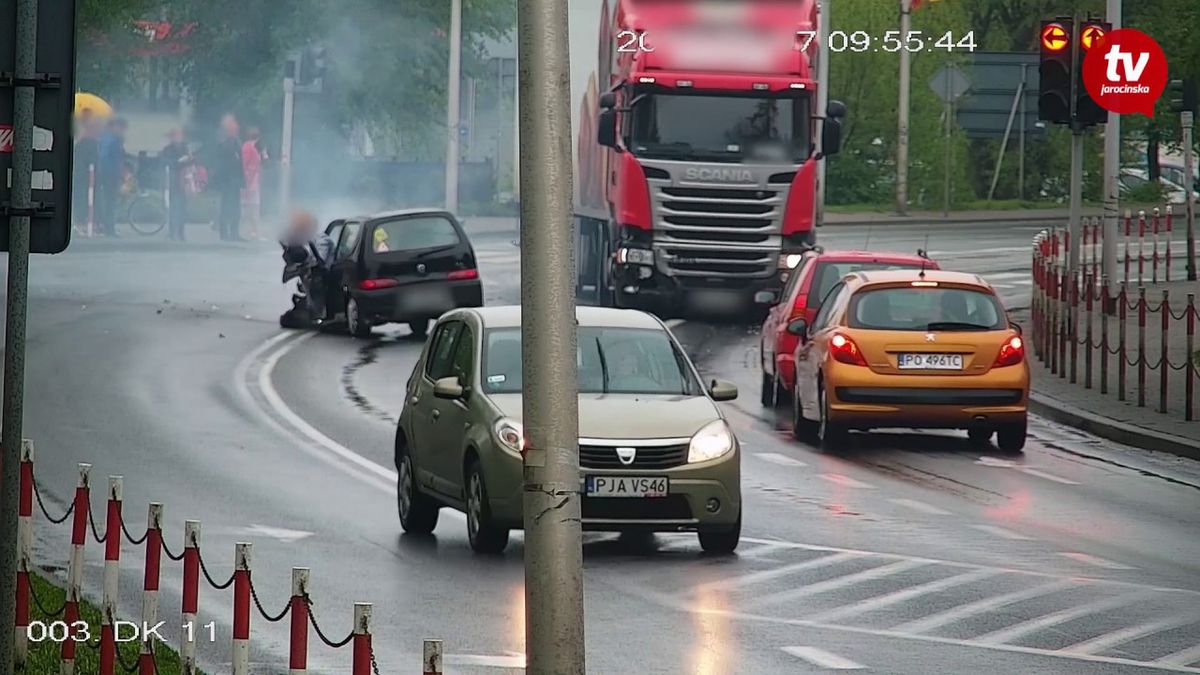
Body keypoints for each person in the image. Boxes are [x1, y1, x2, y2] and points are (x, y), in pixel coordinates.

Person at [213, 114, 244, 241]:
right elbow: (222, 162)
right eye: (233, 125)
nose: (236, 127)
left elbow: (240, 160)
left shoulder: (238, 142)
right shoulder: (223, 143)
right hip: (226, 179)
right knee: (226, 206)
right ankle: (224, 233)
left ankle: (235, 232)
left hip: (236, 179)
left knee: (236, 206)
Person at [96, 118, 128, 237]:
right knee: (110, 202)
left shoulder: (108, 139)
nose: (122, 131)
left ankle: (108, 227)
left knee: (109, 202)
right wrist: (114, 172)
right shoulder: (111, 140)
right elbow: (105, 158)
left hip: (109, 174)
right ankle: (109, 229)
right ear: (114, 127)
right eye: (121, 128)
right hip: (110, 176)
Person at [160, 128, 193, 241]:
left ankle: (181, 232)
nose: (177, 138)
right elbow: (165, 162)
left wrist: (189, 159)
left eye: (179, 135)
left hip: (184, 180)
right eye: (174, 136)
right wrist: (177, 162)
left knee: (183, 207)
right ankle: (172, 232)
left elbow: (191, 162)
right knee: (173, 207)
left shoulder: (185, 148)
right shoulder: (167, 149)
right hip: (173, 179)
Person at [72, 112, 101, 232]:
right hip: (85, 177)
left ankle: (89, 222)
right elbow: (88, 161)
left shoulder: (90, 142)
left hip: (89, 177)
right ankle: (82, 223)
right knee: (83, 199)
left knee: (90, 199)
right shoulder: (85, 143)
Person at [241, 127, 266, 240]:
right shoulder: (249, 148)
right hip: (251, 182)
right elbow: (247, 165)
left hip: (252, 181)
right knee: (253, 208)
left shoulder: (250, 148)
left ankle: (253, 231)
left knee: (250, 208)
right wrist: (249, 180)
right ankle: (255, 232)